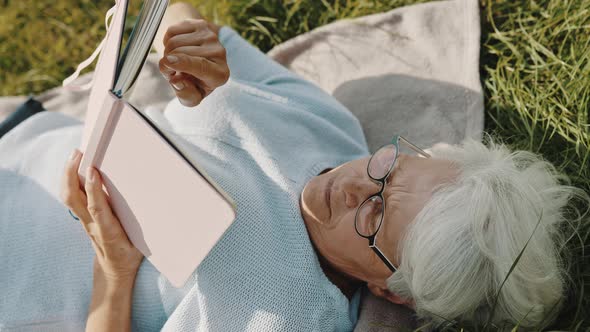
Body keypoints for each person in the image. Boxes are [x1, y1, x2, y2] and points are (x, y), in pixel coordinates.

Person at [0, 3, 582, 331]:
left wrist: (115, 271)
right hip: (20, 139)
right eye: (391, 168)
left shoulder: (286, 317)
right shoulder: (324, 125)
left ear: (392, 291)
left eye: (376, 216)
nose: (356, 183)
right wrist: (188, 42)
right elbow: (195, 24)